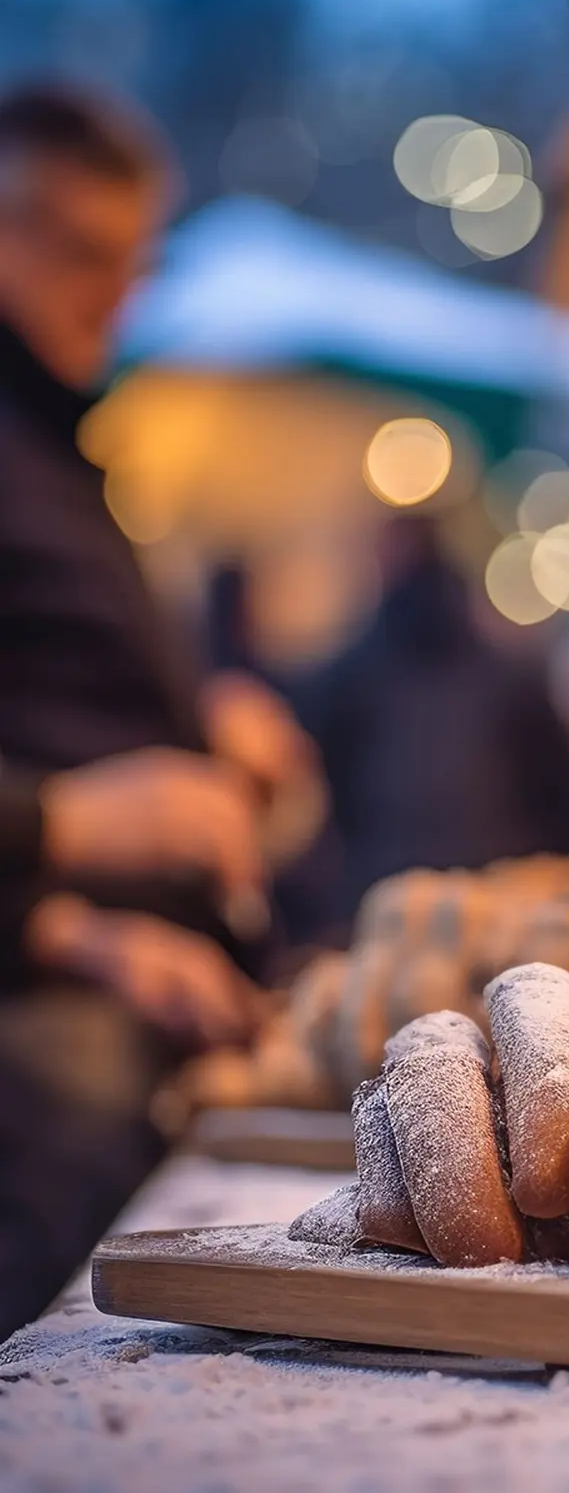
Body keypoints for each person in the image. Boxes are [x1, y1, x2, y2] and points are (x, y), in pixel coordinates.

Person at [0, 82, 319, 1334]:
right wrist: (66, 849)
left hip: (142, 986)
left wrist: (207, 738)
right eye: (70, 245)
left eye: (130, 258)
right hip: (53, 1033)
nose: (111, 291)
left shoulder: (57, 447)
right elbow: (62, 779)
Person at [306, 516, 569, 920]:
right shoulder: (510, 668)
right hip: (500, 890)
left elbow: (335, 784)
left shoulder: (350, 673)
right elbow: (565, 791)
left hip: (391, 890)